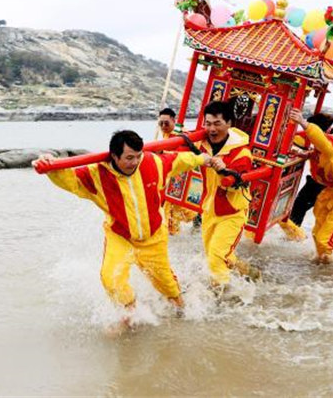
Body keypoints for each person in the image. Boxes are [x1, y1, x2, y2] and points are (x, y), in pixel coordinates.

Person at [32, 130, 210, 325]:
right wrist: (50, 165)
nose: (135, 162)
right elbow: (69, 179)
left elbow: (180, 160)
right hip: (120, 236)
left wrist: (203, 158)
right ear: (115, 157)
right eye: (129, 158)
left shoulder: (152, 162)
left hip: (153, 237)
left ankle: (181, 308)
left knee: (167, 285)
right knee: (111, 278)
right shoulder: (97, 174)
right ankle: (130, 312)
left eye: (138, 155)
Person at [195, 100, 260, 289]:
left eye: (217, 124)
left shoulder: (242, 153)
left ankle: (221, 298)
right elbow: (181, 152)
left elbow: (236, 185)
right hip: (209, 209)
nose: (211, 129)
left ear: (229, 123)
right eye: (208, 123)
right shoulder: (202, 144)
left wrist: (225, 170)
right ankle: (250, 272)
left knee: (216, 258)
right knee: (218, 255)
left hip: (232, 212)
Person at [288, 109, 333, 263]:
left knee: (327, 240)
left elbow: (323, 145)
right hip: (328, 192)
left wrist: (304, 123)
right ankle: (325, 262)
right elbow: (319, 152)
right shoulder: (323, 146)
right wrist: (305, 154)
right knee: (317, 234)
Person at [279, 126, 333, 241]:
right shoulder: (330, 137)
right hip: (322, 180)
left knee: (301, 205)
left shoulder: (326, 139)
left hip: (323, 181)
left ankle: (294, 237)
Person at [157, 107, 200, 235]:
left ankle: (173, 233)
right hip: (169, 178)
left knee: (171, 208)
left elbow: (181, 155)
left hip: (178, 177)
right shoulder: (166, 134)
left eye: (166, 123)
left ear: (173, 121)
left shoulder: (180, 136)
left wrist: (162, 152)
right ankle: (176, 231)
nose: (163, 126)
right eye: (161, 123)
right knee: (171, 208)